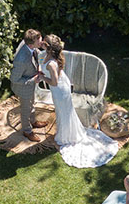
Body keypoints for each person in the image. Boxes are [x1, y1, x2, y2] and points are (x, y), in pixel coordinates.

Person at [39, 34, 119, 168]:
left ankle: (67, 136)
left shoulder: (52, 63)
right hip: (61, 86)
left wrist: (42, 77)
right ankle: (68, 132)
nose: (41, 43)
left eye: (43, 43)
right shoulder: (53, 57)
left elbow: (53, 81)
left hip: (59, 89)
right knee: (64, 111)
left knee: (63, 112)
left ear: (48, 47)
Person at [10, 29, 48, 143]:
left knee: (32, 103)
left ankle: (33, 122)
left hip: (30, 85)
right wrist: (33, 80)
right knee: (26, 109)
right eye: (39, 42)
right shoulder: (21, 60)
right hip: (23, 88)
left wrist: (39, 68)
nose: (41, 43)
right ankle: (27, 131)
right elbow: (14, 79)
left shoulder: (28, 44)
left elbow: (35, 52)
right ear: (31, 44)